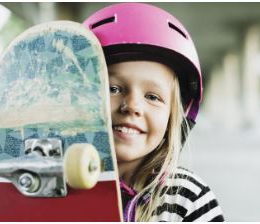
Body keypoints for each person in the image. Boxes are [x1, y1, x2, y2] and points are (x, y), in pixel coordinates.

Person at [83, 3, 224, 222]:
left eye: (152, 97)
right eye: (112, 89)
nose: (132, 106)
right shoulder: (51, 185)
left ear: (173, 117)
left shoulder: (187, 197)